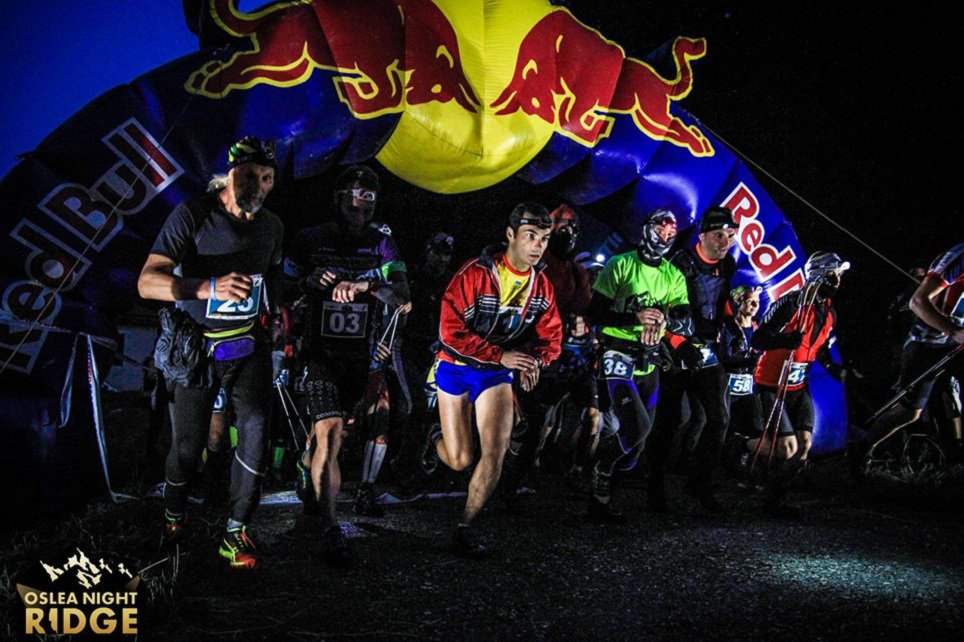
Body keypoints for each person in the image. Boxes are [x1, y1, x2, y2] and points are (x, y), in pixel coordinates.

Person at [138, 136, 283, 569]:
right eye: (249, 175)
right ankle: (173, 515)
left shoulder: (273, 226)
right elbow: (147, 282)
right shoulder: (193, 214)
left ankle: (235, 534)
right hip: (197, 349)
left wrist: (279, 309)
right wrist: (207, 287)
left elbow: (271, 279)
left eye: (267, 178)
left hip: (247, 345)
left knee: (256, 432)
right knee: (189, 447)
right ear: (229, 173)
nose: (257, 186)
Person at [285, 164, 410, 565]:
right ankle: (331, 528)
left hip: (363, 357)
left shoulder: (383, 245)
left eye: (368, 205)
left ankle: (306, 464)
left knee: (341, 436)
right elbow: (276, 285)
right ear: (338, 201)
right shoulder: (309, 240)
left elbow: (403, 293)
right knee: (331, 433)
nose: (360, 212)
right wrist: (306, 282)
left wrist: (368, 284)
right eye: (353, 203)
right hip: (319, 354)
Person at [426, 202, 562, 558]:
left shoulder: (542, 286)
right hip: (455, 365)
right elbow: (449, 332)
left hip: (494, 374)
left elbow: (552, 339)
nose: (538, 246)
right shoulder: (474, 273)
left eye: (544, 239)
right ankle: (434, 438)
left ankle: (465, 527)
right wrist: (500, 354)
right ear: (510, 234)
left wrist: (534, 360)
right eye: (530, 236)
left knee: (495, 451)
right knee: (460, 458)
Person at [585, 209, 692, 523]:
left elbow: (685, 320)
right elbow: (596, 313)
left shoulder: (673, 275)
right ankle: (600, 469)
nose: (665, 236)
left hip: (650, 360)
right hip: (617, 354)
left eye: (671, 233)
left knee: (635, 449)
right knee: (637, 429)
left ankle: (601, 502)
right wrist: (635, 317)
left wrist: (664, 319)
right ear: (647, 229)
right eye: (660, 229)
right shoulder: (620, 264)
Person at [500, 204, 597, 510]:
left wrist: (582, 324)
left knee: (592, 414)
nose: (567, 231)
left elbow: (585, 311)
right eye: (560, 224)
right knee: (525, 422)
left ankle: (567, 471)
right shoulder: (533, 264)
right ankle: (503, 480)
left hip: (561, 357)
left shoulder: (577, 272)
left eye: (572, 226)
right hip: (523, 353)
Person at [739, 251, 850, 516]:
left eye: (839, 276)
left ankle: (775, 499)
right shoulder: (790, 304)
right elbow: (758, 340)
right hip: (771, 384)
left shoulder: (829, 312)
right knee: (787, 448)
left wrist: (832, 366)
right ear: (819, 275)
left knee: (804, 447)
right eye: (833, 275)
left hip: (798, 387)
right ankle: (739, 449)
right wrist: (785, 341)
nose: (837, 281)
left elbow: (820, 346)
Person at [647, 207, 737, 514]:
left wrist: (730, 321)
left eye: (730, 235)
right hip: (676, 350)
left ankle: (699, 482)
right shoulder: (679, 264)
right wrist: (676, 342)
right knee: (671, 420)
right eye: (718, 235)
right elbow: (658, 307)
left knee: (719, 418)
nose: (725, 242)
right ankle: (654, 484)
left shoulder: (728, 264)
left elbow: (721, 300)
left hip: (706, 350)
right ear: (702, 236)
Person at [854, 243, 964, 470]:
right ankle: (861, 450)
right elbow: (917, 302)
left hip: (956, 343)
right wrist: (953, 331)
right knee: (910, 412)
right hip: (927, 343)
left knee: (953, 401)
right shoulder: (958, 258)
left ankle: (955, 458)